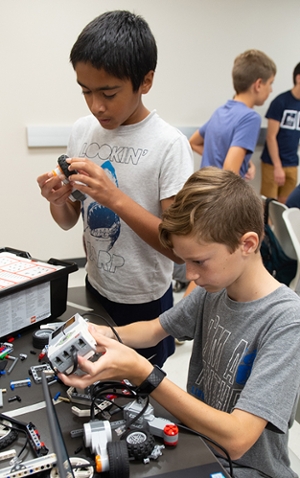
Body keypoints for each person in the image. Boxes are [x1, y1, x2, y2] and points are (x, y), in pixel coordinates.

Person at [60, 168, 300, 478]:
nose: (189, 275)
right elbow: (154, 329)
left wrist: (142, 372)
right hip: (198, 445)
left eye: (199, 261)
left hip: (245, 469)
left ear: (248, 244)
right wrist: (103, 333)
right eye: (184, 261)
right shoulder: (213, 290)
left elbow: (238, 439)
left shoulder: (286, 322)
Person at [37, 10, 193, 367]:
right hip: (96, 287)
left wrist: (115, 199)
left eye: (108, 92)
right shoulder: (83, 130)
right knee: (94, 385)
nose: (96, 106)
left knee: (138, 396)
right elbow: (68, 219)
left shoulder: (169, 145)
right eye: (86, 92)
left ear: (146, 81)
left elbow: (179, 248)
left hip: (145, 302)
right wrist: (57, 200)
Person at [189, 50, 276, 181]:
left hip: (206, 190)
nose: (271, 89)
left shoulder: (220, 111)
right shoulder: (250, 118)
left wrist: (246, 163)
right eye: (270, 83)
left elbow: (193, 142)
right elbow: (229, 171)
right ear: (258, 85)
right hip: (224, 196)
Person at [260, 62, 300, 204]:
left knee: (286, 208)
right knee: (268, 208)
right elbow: (270, 137)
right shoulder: (280, 102)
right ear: (298, 78)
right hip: (272, 163)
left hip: (292, 163)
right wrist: (277, 166)